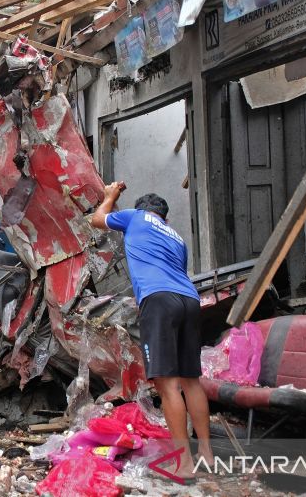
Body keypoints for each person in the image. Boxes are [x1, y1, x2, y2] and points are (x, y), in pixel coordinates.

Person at [91, 182, 212, 480]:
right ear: (165, 218)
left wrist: (109, 197)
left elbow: (97, 219)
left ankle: (183, 464)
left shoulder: (134, 217)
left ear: (142, 210)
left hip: (158, 301)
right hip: (189, 299)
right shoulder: (176, 237)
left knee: (168, 385)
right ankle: (206, 454)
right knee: (191, 381)